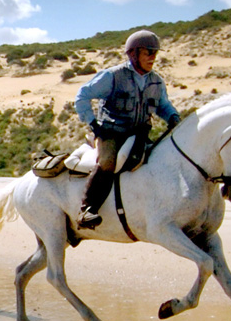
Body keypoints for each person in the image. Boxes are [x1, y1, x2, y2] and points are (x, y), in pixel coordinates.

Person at [74, 30, 181, 229]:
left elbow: (163, 106)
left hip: (139, 133)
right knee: (107, 163)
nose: (152, 57)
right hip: (111, 133)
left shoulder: (156, 81)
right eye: (148, 52)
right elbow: (82, 96)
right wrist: (94, 125)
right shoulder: (112, 76)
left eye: (155, 52)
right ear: (133, 54)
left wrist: (173, 117)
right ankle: (87, 210)